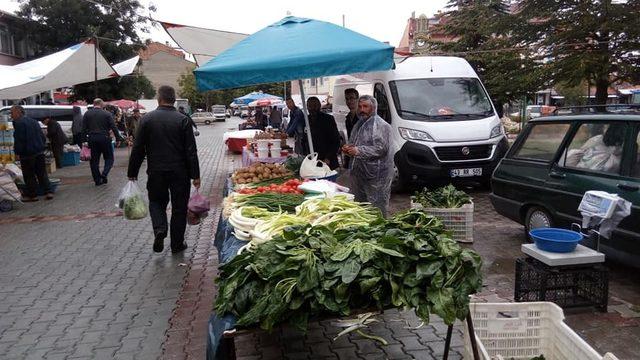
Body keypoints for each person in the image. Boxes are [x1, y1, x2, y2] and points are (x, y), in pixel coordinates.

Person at [128, 85, 200, 254]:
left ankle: (160, 229)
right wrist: (195, 175)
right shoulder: (183, 119)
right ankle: (177, 244)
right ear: (174, 100)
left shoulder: (147, 119)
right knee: (179, 208)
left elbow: (138, 149)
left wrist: (132, 173)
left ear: (159, 99)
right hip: (180, 172)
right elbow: (191, 151)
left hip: (156, 171)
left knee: (156, 202)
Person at [342, 95, 393, 217]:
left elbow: (381, 149)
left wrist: (358, 151)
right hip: (359, 172)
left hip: (377, 175)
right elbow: (354, 142)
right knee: (361, 206)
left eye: (365, 106)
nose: (362, 109)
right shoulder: (359, 124)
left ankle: (380, 229)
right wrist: (348, 148)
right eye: (360, 106)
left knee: (377, 206)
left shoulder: (381, 125)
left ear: (373, 107)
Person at [11, 105, 53, 201]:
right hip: (39, 151)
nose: (11, 115)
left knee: (29, 174)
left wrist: (17, 152)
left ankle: (32, 195)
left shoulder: (19, 123)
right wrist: (42, 146)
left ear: (18, 112)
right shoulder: (34, 121)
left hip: (27, 153)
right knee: (42, 173)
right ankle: (48, 191)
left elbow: (19, 140)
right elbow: (42, 136)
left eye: (12, 113)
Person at [82, 98, 125, 186]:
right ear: (101, 104)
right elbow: (113, 127)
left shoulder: (87, 113)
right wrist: (118, 139)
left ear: (94, 104)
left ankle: (97, 180)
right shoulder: (106, 114)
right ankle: (104, 174)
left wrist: (84, 141)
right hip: (105, 138)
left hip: (92, 138)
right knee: (109, 158)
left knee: (94, 161)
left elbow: (83, 129)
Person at [307, 97, 340, 169]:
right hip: (311, 161)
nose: (312, 108)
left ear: (319, 106)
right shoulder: (306, 120)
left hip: (327, 161)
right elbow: (304, 141)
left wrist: (328, 157)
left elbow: (336, 141)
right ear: (307, 107)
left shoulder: (328, 119)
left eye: (315, 106)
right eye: (310, 106)